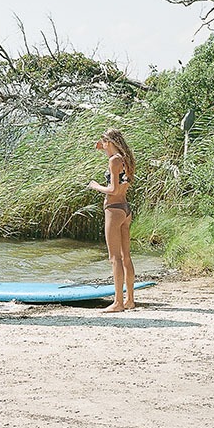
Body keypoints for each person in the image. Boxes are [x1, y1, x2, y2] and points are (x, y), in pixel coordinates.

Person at [88, 128, 136, 312]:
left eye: (104, 142)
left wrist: (96, 186)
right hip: (125, 209)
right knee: (126, 257)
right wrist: (103, 148)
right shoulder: (126, 159)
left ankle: (117, 302)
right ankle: (129, 300)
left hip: (114, 209)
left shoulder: (114, 161)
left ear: (110, 142)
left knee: (114, 257)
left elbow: (113, 190)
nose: (102, 146)